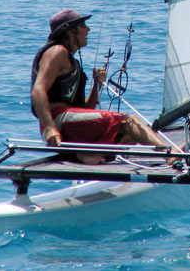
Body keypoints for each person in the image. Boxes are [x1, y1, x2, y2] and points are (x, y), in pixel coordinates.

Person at [31, 9, 177, 165]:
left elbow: (85, 110)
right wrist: (50, 128)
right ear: (70, 31)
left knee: (133, 134)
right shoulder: (57, 52)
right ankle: (169, 154)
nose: (88, 29)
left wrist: (97, 86)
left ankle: (87, 155)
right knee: (129, 121)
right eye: (83, 25)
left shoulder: (71, 61)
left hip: (69, 124)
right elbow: (38, 90)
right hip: (57, 123)